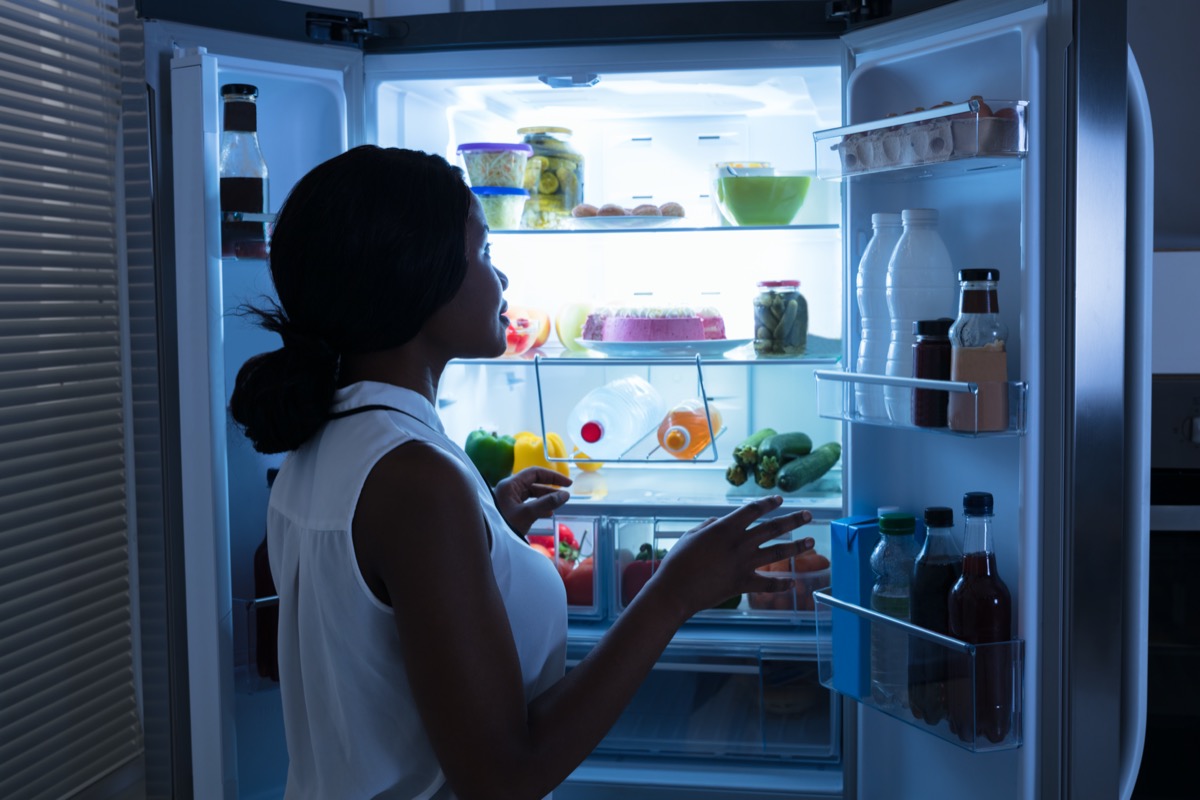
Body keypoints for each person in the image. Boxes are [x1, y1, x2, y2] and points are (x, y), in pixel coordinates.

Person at [229, 145, 816, 800]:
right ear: (418, 278)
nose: (501, 279)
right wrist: (674, 591)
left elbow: (374, 615)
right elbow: (503, 778)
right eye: (482, 252)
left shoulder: (329, 438)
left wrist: (491, 534)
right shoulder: (415, 480)